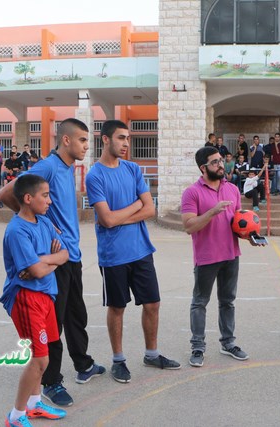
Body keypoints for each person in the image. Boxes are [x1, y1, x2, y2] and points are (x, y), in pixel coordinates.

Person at [0, 118, 104, 407]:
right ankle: (51, 382)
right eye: (82, 140)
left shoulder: (67, 169)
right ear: (66, 140)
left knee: (76, 315)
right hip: (56, 259)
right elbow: (5, 194)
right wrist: (39, 222)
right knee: (53, 322)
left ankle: (83, 365)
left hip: (71, 255)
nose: (86, 145)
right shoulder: (47, 166)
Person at [85, 119, 180, 384]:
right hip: (113, 255)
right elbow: (106, 219)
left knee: (153, 304)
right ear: (105, 139)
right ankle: (118, 360)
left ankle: (152, 354)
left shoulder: (133, 169)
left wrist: (120, 216)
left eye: (128, 138)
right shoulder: (95, 175)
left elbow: (150, 210)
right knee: (117, 307)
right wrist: (134, 207)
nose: (126, 143)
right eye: (121, 138)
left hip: (141, 250)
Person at [0, 174, 69, 426]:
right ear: (28, 199)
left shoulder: (45, 222)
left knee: (44, 353)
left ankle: (34, 403)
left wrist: (43, 260)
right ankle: (16, 416)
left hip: (45, 295)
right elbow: (37, 271)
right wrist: (47, 262)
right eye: (45, 195)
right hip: (27, 299)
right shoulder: (17, 230)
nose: (50, 201)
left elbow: (64, 254)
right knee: (39, 359)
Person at [181, 146, 253, 368]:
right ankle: (198, 347)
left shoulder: (232, 189)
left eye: (221, 161)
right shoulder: (192, 192)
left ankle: (228, 343)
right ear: (203, 168)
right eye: (215, 162)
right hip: (206, 257)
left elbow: (238, 223)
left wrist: (250, 236)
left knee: (228, 302)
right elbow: (189, 226)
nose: (221, 165)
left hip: (231, 255)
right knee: (200, 302)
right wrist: (212, 212)